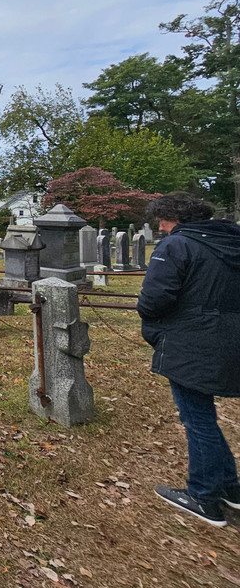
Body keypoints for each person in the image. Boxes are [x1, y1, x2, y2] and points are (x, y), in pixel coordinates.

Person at [137, 192, 240, 527]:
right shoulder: (230, 242)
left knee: (197, 419)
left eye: (161, 222)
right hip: (228, 337)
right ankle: (230, 489)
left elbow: (154, 299)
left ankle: (203, 497)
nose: (161, 228)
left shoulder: (177, 245)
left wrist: (151, 322)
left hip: (191, 340)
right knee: (203, 416)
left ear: (173, 217)